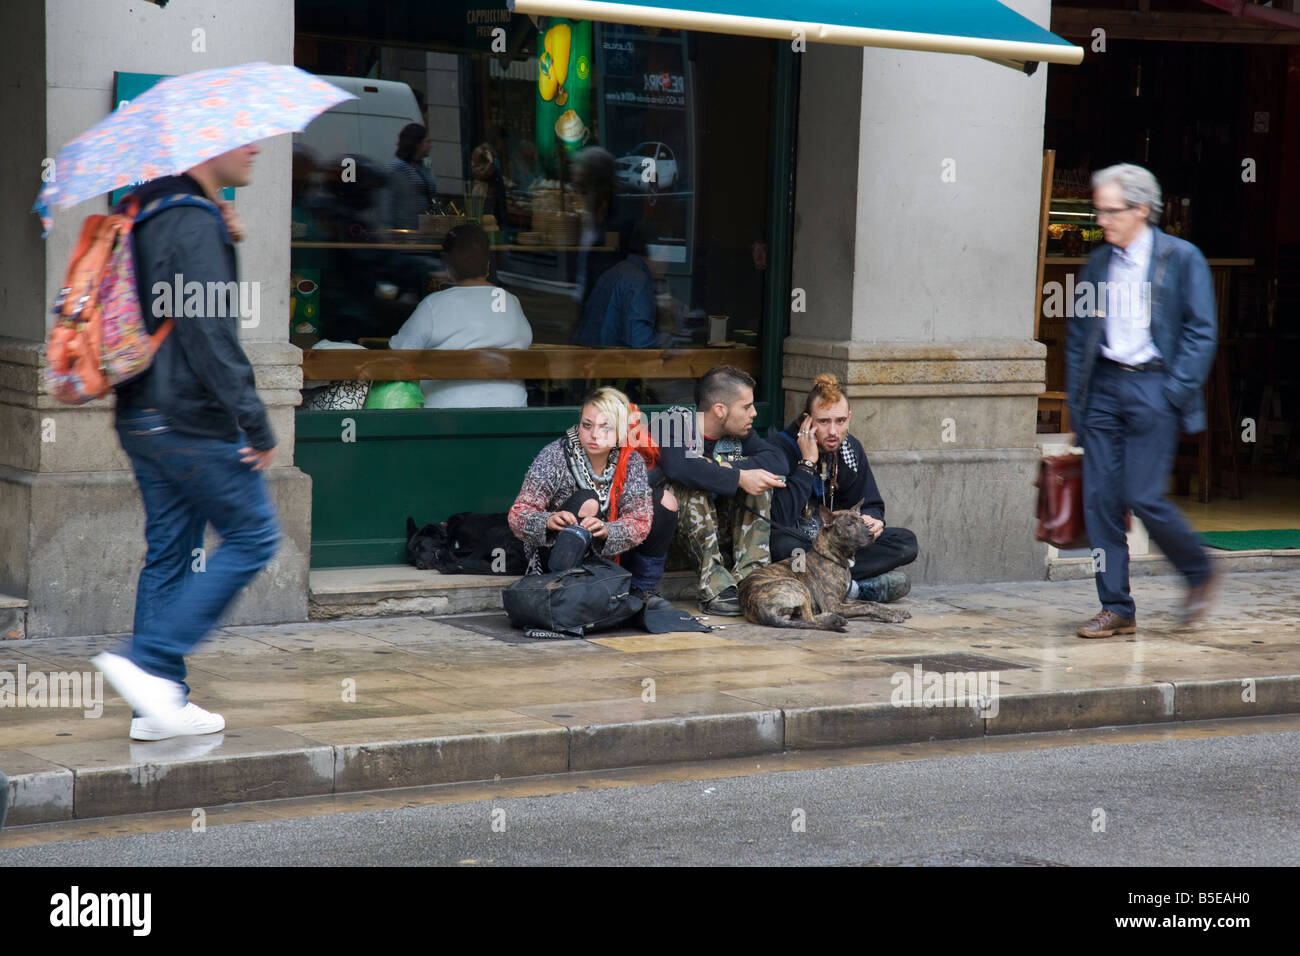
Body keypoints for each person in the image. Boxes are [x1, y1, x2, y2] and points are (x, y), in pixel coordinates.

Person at [93, 142, 281, 741]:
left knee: (170, 552)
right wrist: (254, 420)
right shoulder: (194, 222)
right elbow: (209, 334)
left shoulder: (151, 208)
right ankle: (147, 660)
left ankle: (159, 704)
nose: (254, 147)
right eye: (241, 136)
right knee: (254, 535)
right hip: (189, 420)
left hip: (142, 414)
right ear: (209, 147)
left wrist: (224, 238)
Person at [1066, 163, 1220, 639]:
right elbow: (1078, 335)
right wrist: (1080, 403)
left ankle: (1199, 571)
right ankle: (1116, 606)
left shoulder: (1181, 258)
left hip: (1155, 386)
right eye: (1099, 211)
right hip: (1106, 388)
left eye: (1112, 211)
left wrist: (1174, 391)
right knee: (1100, 501)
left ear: (1142, 210)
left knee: (1142, 495)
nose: (1102, 221)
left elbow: (1201, 330)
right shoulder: (1098, 263)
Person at [508, 387, 679, 603]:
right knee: (587, 500)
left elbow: (639, 520)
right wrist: (548, 521)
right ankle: (565, 591)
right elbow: (518, 515)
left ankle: (642, 590)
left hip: (608, 551)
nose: (594, 435)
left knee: (665, 502)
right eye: (587, 425)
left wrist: (608, 530)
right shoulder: (555, 456)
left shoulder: (630, 461)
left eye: (605, 427)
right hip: (556, 555)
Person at [769, 373, 917, 602]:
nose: (833, 432)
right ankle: (856, 589)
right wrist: (807, 463)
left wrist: (873, 520)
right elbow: (780, 518)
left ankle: (839, 584)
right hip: (802, 547)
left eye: (840, 421)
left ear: (849, 417)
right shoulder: (780, 448)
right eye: (823, 421)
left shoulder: (850, 449)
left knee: (905, 543)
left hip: (839, 546)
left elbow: (871, 503)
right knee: (783, 546)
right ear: (807, 420)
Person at [659, 366, 787, 615]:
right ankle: (715, 587)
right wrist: (738, 476)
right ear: (720, 410)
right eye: (747, 406)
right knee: (688, 487)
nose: (754, 412)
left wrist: (730, 469)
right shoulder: (672, 422)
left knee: (758, 482)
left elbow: (778, 461)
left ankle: (752, 580)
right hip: (674, 543)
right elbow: (678, 467)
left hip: (720, 535)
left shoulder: (739, 433)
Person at [389, 223, 532, 408]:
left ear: (447, 264)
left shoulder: (434, 305)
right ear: (487, 263)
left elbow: (399, 354)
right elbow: (525, 342)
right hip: (512, 411)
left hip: (448, 419)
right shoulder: (509, 302)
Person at [572, 222, 664, 348]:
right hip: (606, 362)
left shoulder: (618, 271)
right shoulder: (638, 280)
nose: (667, 260)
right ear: (655, 253)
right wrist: (669, 343)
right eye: (666, 252)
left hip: (591, 357)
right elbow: (640, 342)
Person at [385, 123, 436, 230]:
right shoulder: (396, 168)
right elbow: (387, 203)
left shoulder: (422, 167)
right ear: (417, 144)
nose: (431, 145)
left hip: (423, 230)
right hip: (405, 232)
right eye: (427, 141)